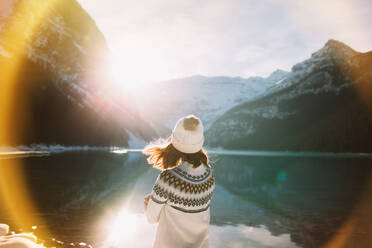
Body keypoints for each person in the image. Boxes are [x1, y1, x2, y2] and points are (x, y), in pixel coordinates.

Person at [143, 115, 215, 248]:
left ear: (174, 140)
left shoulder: (169, 179)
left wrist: (149, 204)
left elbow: (151, 218)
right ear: (200, 142)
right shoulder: (208, 175)